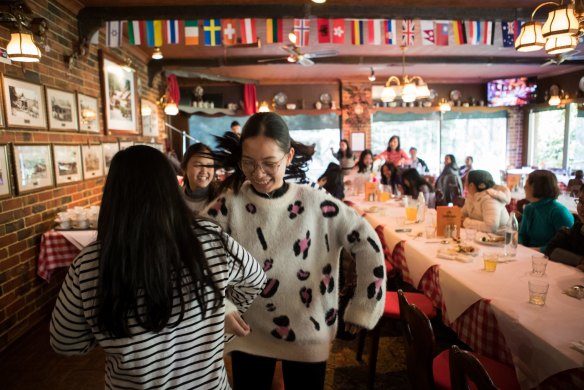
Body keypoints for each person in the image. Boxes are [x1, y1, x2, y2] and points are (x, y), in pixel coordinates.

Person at [50, 145, 266, 389]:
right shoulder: (211, 240)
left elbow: (66, 342)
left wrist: (109, 333)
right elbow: (256, 279)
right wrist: (222, 312)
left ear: (113, 195)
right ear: (171, 189)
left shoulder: (89, 263)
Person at [204, 112, 385, 390]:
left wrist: (365, 306)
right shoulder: (230, 203)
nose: (258, 173)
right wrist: (222, 306)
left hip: (309, 330)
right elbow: (194, 254)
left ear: (288, 157)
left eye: (269, 163)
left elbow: (367, 241)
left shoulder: (316, 202)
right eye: (248, 163)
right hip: (247, 329)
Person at [519, 169, 574, 252]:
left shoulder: (559, 212)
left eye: (527, 183)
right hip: (529, 253)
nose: (524, 186)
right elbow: (522, 236)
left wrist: (533, 251)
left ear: (538, 187)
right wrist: (519, 248)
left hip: (550, 257)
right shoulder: (529, 208)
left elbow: (566, 245)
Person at [545, 184, 584, 270]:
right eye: (580, 201)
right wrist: (580, 260)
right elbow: (550, 250)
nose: (582, 207)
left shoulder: (558, 211)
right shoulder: (578, 228)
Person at [181, 143, 220, 213]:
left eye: (209, 166)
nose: (204, 171)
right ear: (185, 168)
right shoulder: (175, 198)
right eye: (198, 165)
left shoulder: (222, 198)